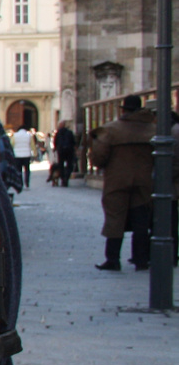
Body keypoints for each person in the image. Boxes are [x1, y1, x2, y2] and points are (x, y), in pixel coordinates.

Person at [90, 95, 155, 271]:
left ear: (124, 110)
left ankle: (113, 259)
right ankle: (141, 259)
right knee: (141, 221)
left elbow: (98, 157)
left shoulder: (111, 130)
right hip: (143, 179)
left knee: (114, 219)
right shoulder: (153, 130)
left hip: (117, 180)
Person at [52, 120, 78, 187]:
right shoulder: (69, 132)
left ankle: (63, 179)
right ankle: (66, 177)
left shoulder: (58, 133)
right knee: (69, 165)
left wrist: (55, 148)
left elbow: (55, 142)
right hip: (69, 151)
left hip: (60, 151)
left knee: (61, 165)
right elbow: (73, 142)